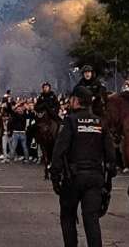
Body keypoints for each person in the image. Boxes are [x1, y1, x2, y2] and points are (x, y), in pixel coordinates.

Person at [50, 86, 116, 247]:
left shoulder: (71, 121)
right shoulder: (100, 122)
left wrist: (55, 176)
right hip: (95, 178)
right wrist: (108, 181)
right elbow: (111, 155)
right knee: (91, 219)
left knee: (68, 217)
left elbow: (59, 150)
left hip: (73, 178)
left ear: (76, 101)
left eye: (71, 99)